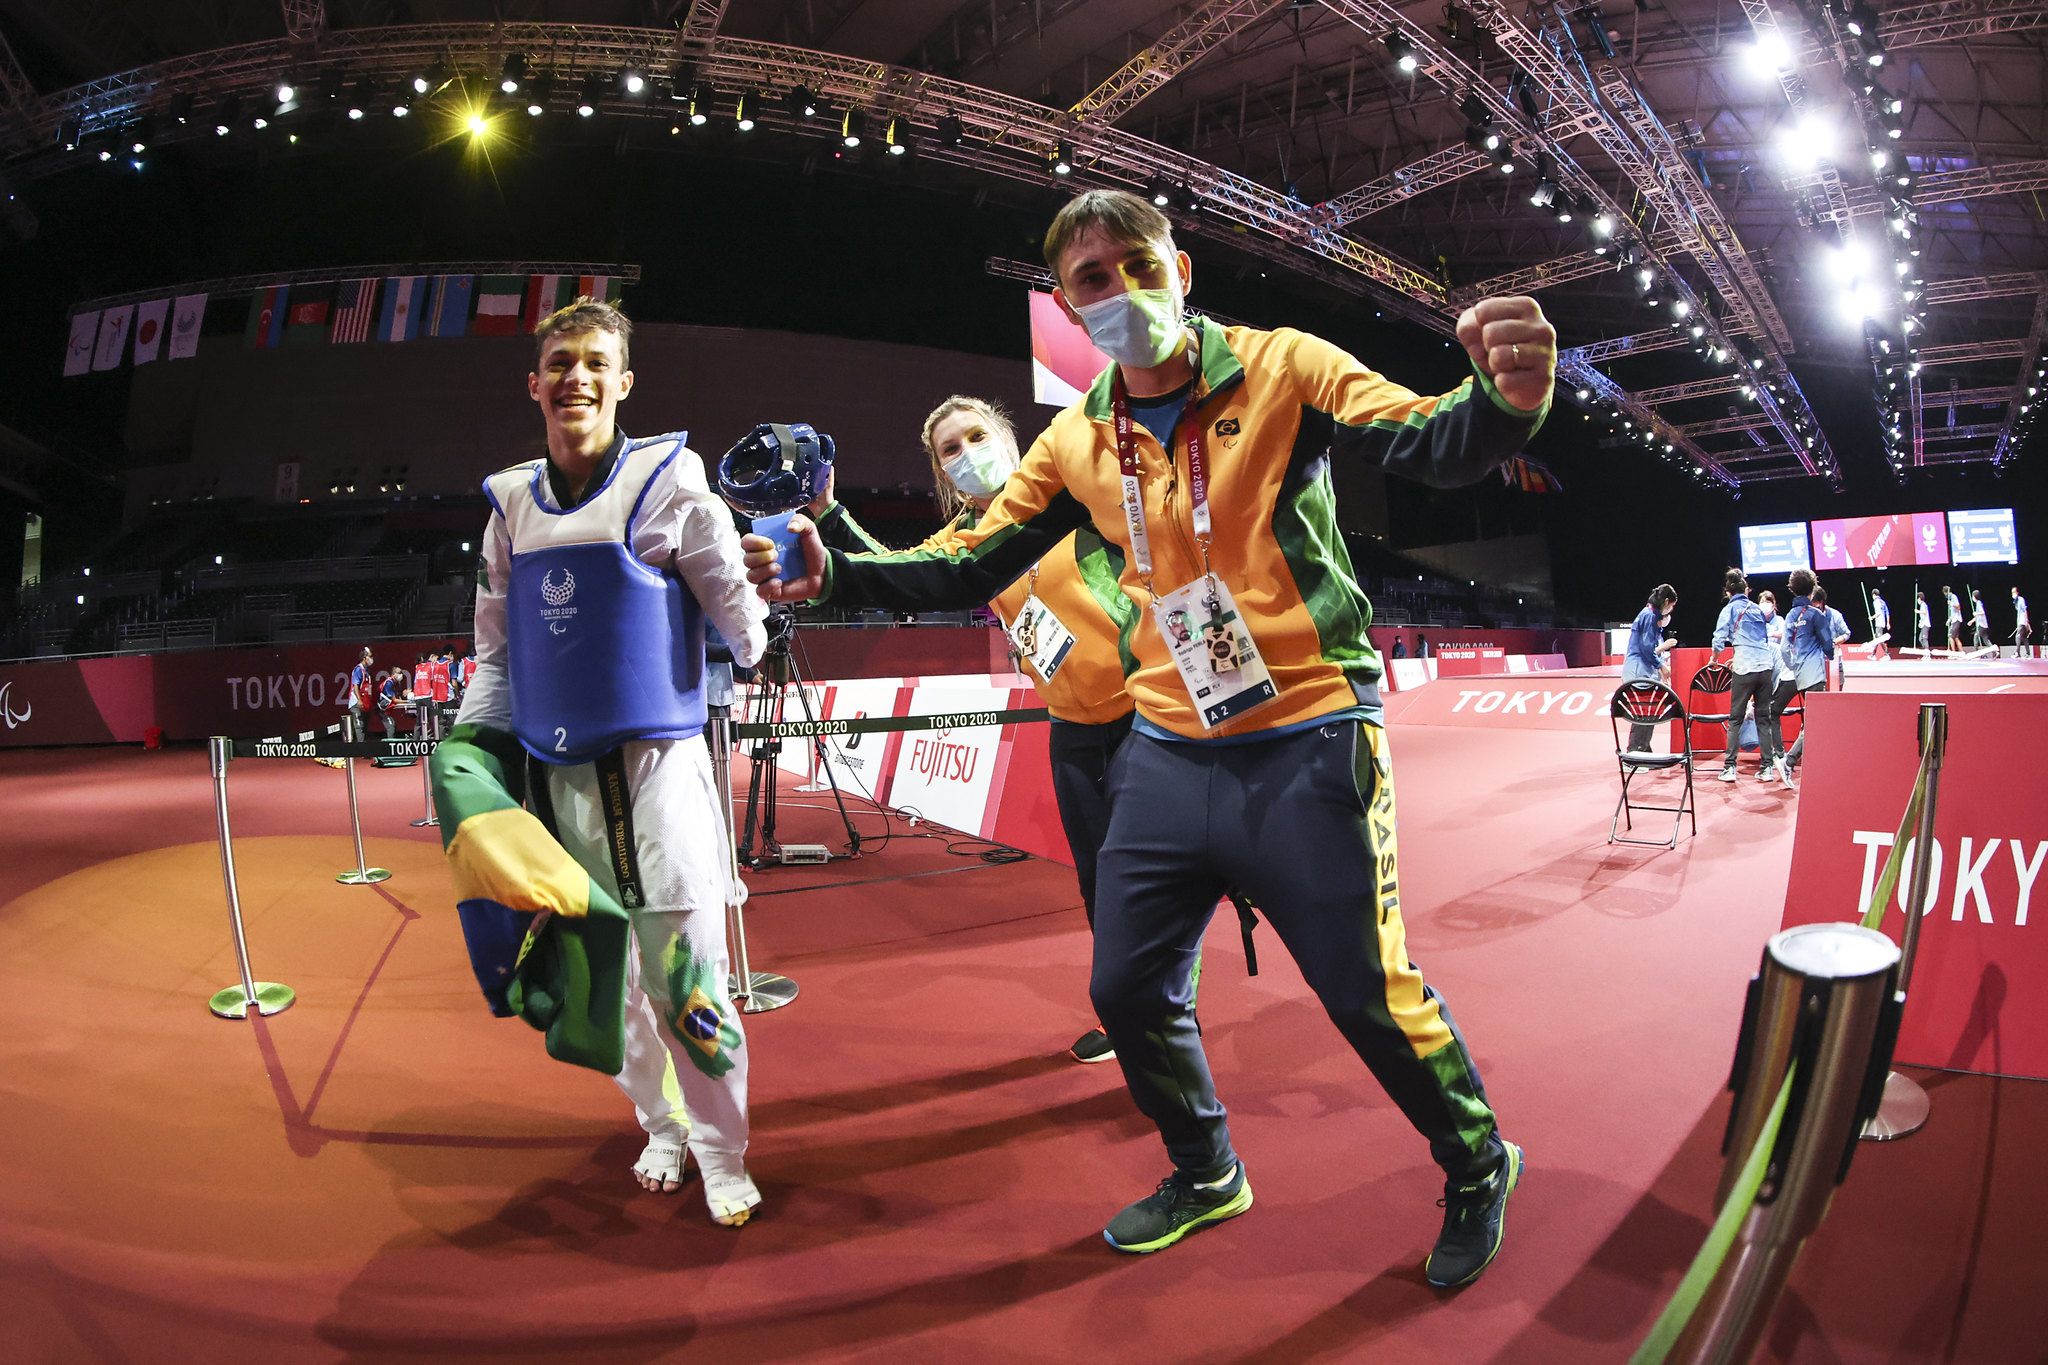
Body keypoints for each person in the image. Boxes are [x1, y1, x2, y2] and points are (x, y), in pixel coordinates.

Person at [745, 188, 1552, 1285]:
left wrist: (1502, 405)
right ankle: (1206, 1168)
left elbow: (1426, 437)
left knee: (1364, 987)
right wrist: (833, 570)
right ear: (1068, 313)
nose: (1119, 291)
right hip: (1167, 747)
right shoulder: (1077, 441)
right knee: (1125, 989)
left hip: (1308, 728)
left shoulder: (1284, 365)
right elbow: (963, 561)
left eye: (1136, 264)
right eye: (1090, 279)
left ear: (1181, 271)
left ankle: (1473, 1162)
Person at [449, 297, 770, 1226]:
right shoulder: (507, 507)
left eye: (595, 362)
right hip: (560, 791)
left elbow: (744, 630)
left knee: (688, 981)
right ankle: (659, 1123)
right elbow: (500, 654)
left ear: (623, 382)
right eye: (559, 363)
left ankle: (722, 1147)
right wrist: (469, 757)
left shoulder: (673, 483)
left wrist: (739, 611)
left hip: (659, 782)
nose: (575, 378)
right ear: (534, 384)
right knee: (603, 978)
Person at [805, 396, 1151, 1066]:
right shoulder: (967, 538)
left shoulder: (1068, 492)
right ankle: (1128, 1007)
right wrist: (827, 514)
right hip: (1071, 725)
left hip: (1142, 711)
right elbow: (894, 568)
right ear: (940, 471)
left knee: (1146, 880)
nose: (967, 454)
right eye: (950, 449)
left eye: (976, 436)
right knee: (1097, 883)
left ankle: (1165, 1013)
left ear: (1009, 439)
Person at [1712, 569, 1783, 784]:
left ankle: (1730, 768)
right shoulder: (1757, 610)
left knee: (1735, 718)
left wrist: (1714, 659)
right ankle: (1767, 769)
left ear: (1728, 593)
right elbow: (1761, 638)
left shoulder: (1729, 609)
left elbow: (1719, 637)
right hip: (1765, 668)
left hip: (1745, 669)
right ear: (1747, 590)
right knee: (1763, 718)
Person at [1770, 571, 1835, 783]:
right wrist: (1830, 653)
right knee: (1816, 722)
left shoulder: (1789, 616)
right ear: (1812, 588)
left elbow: (1784, 649)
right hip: (1815, 675)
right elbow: (1828, 644)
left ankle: (1799, 759)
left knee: (1810, 721)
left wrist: (1795, 666)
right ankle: (1788, 761)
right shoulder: (1817, 615)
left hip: (1795, 674)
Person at [1621, 584, 1677, 751]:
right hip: (1639, 673)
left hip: (1644, 672)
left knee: (1649, 713)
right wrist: (1662, 666)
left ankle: (1644, 750)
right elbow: (1646, 649)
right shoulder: (1649, 616)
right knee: (1642, 714)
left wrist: (1660, 668)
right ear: (1666, 601)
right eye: (1672, 606)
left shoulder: (1651, 615)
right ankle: (1634, 754)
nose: (1671, 610)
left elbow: (1651, 648)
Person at [1869, 587, 1890, 661]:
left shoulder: (1876, 602)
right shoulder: (1883, 602)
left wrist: (1872, 617)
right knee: (1877, 638)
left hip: (1879, 622)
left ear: (1874, 595)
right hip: (1883, 622)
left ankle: (1887, 654)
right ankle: (1873, 654)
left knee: (1880, 638)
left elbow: (1878, 613)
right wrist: (1888, 623)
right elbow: (1887, 613)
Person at [2015, 586, 2034, 659]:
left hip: (2022, 621)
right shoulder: (2016, 602)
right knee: (2024, 638)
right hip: (2021, 621)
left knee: (2018, 636)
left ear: (2017, 592)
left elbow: (2024, 610)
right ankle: (2028, 654)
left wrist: (2026, 621)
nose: (2013, 594)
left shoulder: (2021, 600)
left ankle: (2017, 653)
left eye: (2014, 592)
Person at [1944, 585, 1963, 652]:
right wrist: (1949, 619)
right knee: (1956, 638)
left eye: (1945, 594)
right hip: (1954, 619)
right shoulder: (1951, 598)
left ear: (1947, 592)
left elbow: (1958, 607)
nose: (1945, 596)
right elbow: (1953, 612)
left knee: (1950, 636)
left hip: (1957, 620)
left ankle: (1953, 652)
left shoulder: (1953, 597)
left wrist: (1951, 604)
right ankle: (1962, 652)